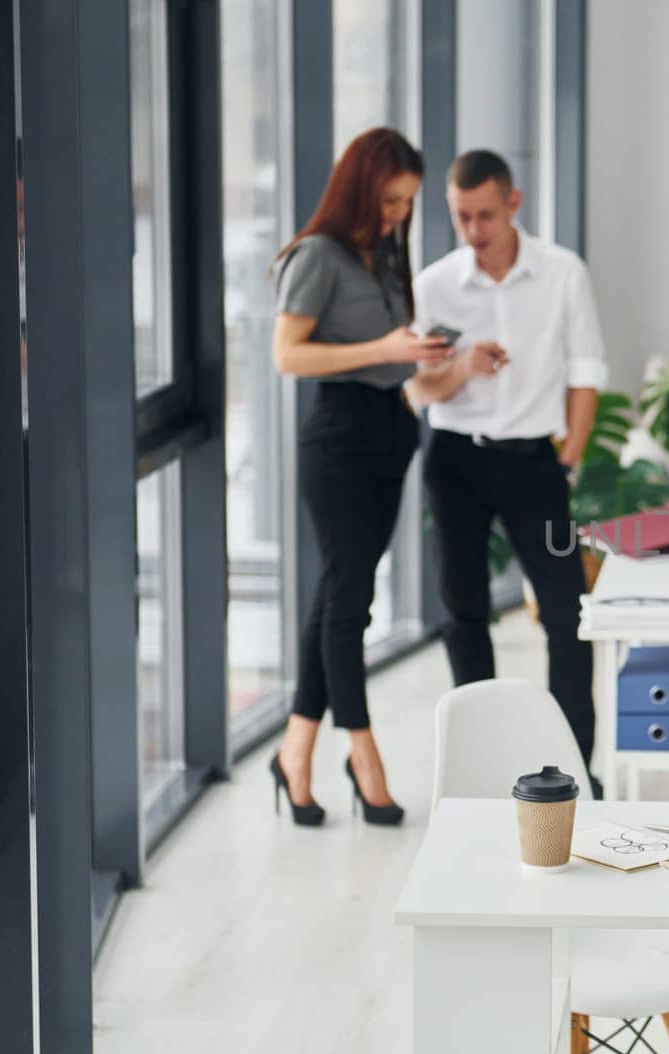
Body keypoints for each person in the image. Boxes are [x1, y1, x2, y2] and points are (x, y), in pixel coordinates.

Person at [405, 150, 607, 790]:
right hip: (456, 460)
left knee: (566, 610)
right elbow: (416, 390)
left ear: (513, 203)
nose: (473, 229)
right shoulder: (435, 283)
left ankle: (575, 767)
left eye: (485, 214)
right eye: (461, 216)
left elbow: (586, 369)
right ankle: (484, 762)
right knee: (462, 610)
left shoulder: (561, 272)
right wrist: (462, 367)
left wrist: (568, 453)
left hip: (534, 463)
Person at [269, 127, 451, 827]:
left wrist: (443, 360)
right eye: (390, 200)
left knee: (336, 593)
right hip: (338, 440)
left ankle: (294, 749)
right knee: (350, 601)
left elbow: (395, 367)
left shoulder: (385, 257)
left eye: (408, 202)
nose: (400, 213)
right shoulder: (317, 255)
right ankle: (364, 752)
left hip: (390, 431)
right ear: (359, 188)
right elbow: (288, 356)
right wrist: (385, 346)